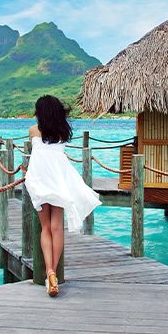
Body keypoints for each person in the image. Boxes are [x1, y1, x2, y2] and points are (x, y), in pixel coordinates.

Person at [24, 95, 102, 297]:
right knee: (57, 228)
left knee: (46, 228)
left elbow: (37, 149)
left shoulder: (33, 131)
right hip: (58, 181)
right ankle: (53, 273)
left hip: (39, 181)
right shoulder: (62, 132)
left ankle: (48, 271)